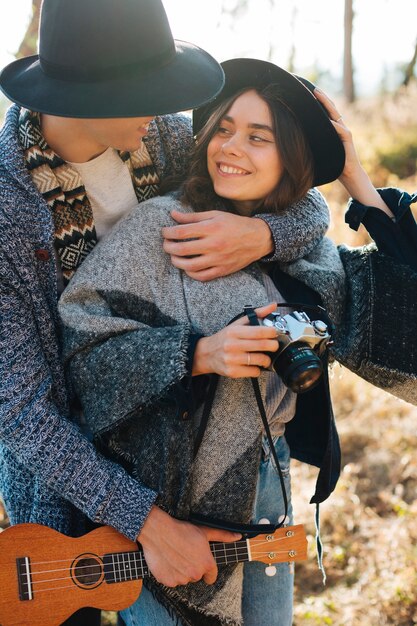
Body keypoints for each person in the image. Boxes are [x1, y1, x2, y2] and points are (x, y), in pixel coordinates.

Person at [0, 2, 330, 625]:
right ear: (88, 95)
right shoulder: (6, 208)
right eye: (149, 92)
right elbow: (19, 409)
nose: (167, 108)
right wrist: (146, 523)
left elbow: (302, 203)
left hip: (191, 450)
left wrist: (263, 235)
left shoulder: (163, 140)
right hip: (70, 485)